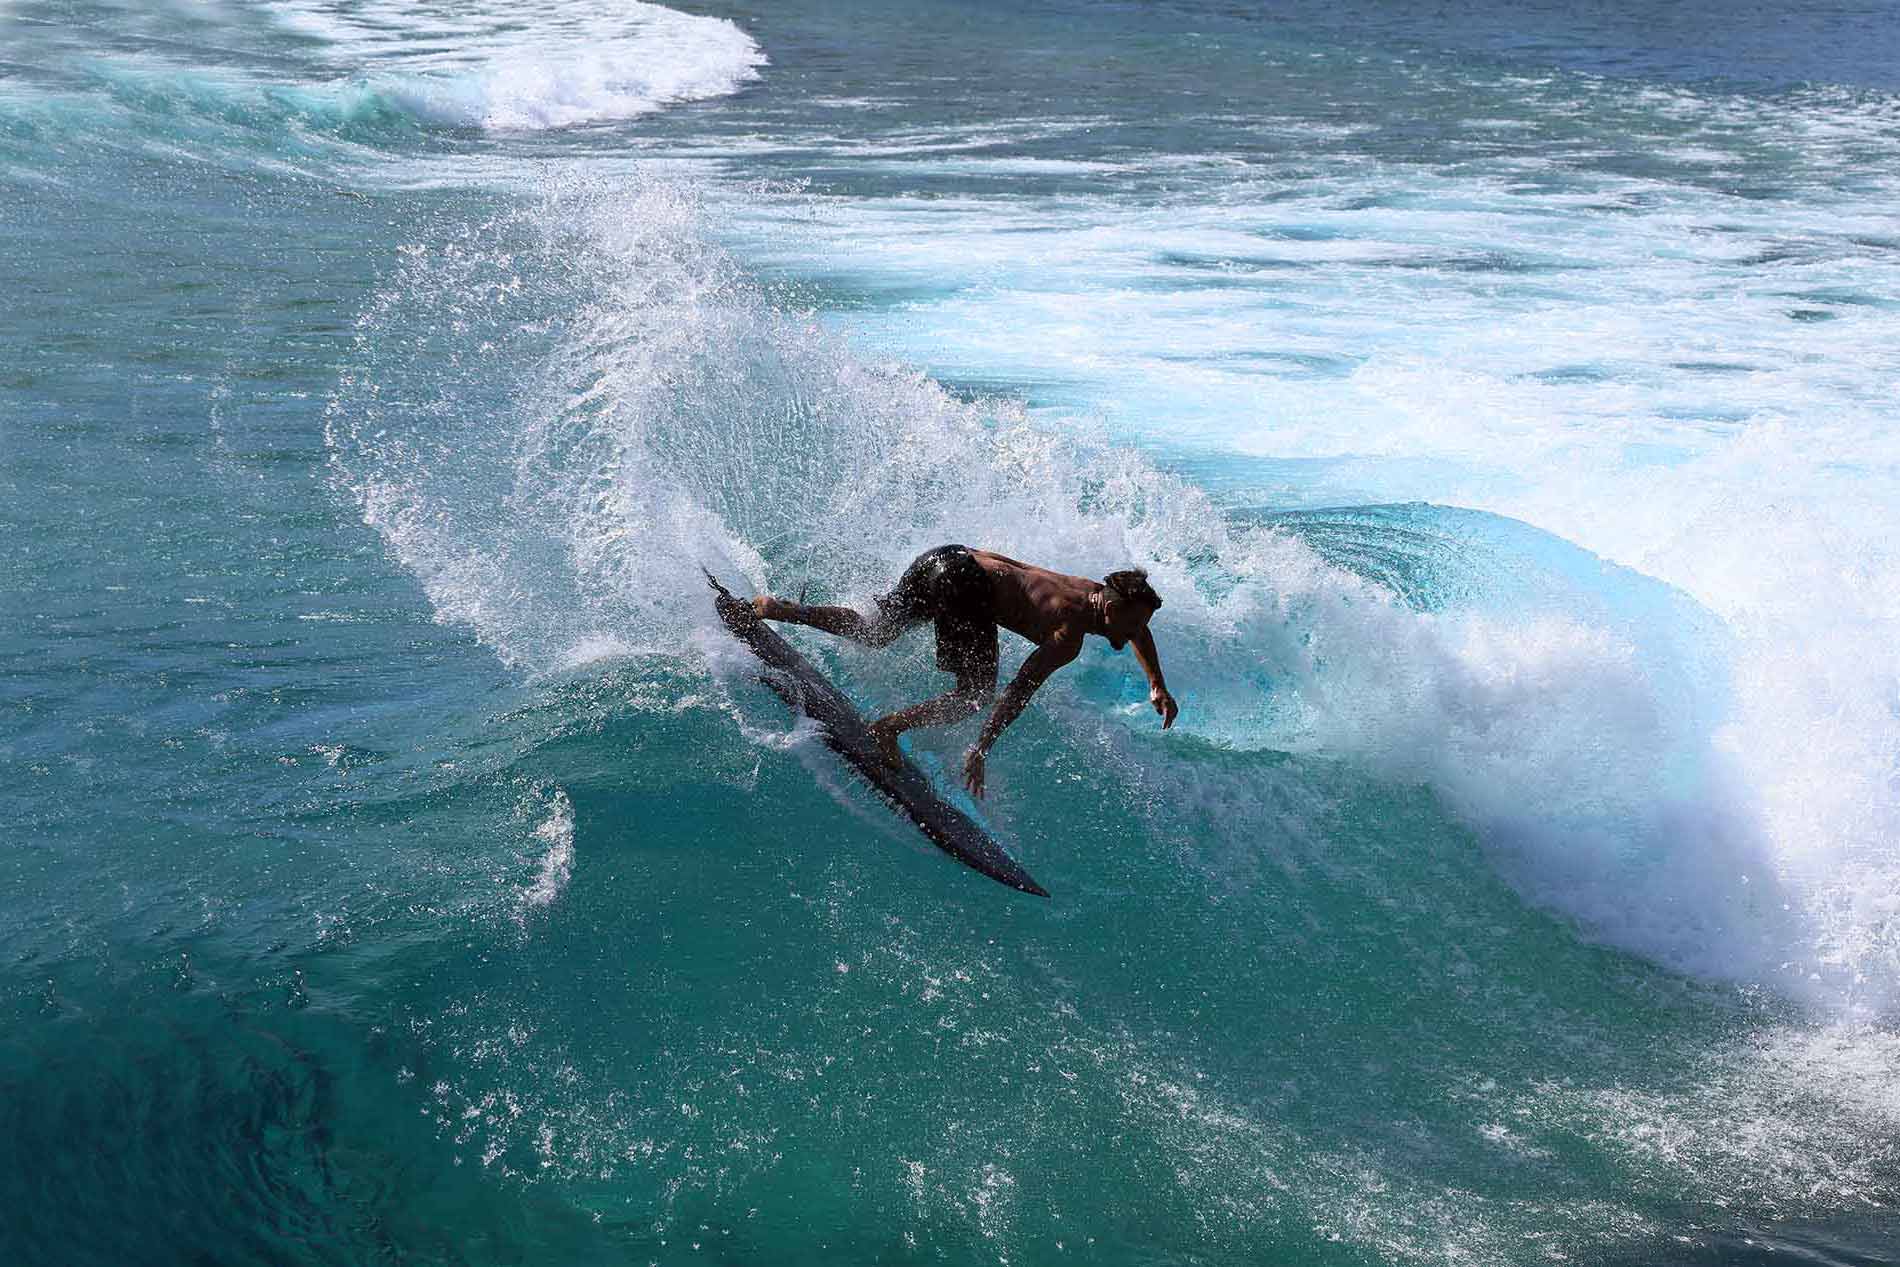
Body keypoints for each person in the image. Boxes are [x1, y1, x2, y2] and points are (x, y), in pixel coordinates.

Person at [752, 545, 1176, 797]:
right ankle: (888, 729)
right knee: (975, 694)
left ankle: (780, 609)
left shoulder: (1095, 591)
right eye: (1136, 622)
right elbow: (1018, 691)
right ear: (1115, 607)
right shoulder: (1068, 633)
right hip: (965, 584)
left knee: (876, 632)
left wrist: (1156, 683)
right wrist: (981, 748)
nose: (1139, 633)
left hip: (947, 557)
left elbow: (1137, 632)